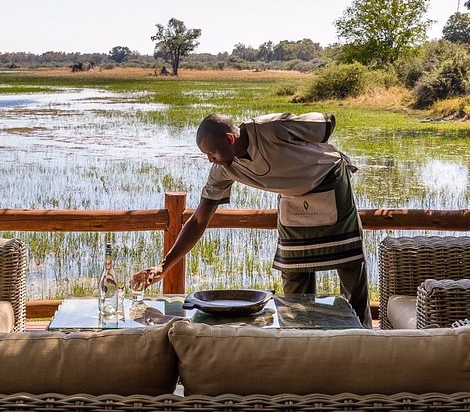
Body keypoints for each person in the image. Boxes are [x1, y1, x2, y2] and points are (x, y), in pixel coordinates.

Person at [130, 112, 370, 327]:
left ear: (230, 139)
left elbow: (326, 122)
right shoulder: (223, 170)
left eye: (212, 153)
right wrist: (164, 265)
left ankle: (363, 335)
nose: (210, 160)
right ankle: (300, 338)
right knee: (294, 277)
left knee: (349, 265)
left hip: (329, 181)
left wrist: (304, 153)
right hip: (292, 198)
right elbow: (199, 220)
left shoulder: (271, 128)